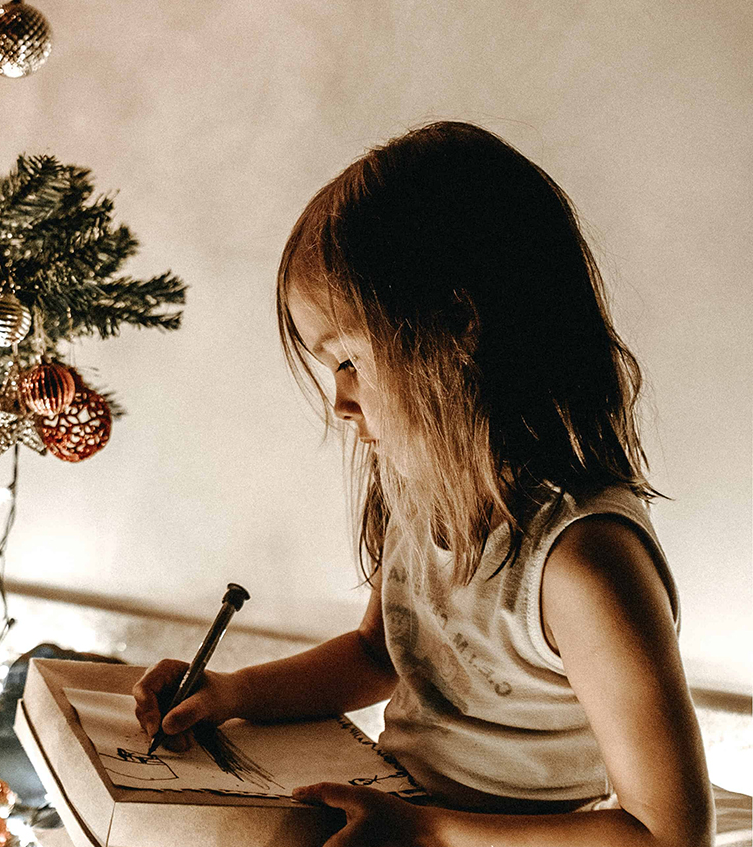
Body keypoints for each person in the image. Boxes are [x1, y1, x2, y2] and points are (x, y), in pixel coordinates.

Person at [133, 121, 715, 846]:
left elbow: (667, 834)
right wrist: (233, 693)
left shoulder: (583, 562)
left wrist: (429, 832)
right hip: (400, 812)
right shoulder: (418, 490)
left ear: (457, 325)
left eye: (349, 361)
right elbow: (379, 654)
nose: (340, 402)